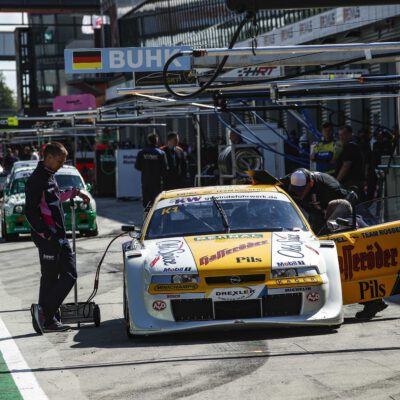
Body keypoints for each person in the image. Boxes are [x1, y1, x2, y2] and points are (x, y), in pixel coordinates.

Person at [26, 142, 90, 334]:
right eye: (60, 161)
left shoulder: (50, 176)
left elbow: (55, 198)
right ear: (49, 157)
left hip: (60, 237)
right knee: (52, 277)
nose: (62, 164)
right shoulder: (36, 180)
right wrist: (46, 235)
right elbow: (30, 212)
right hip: (48, 238)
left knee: (68, 275)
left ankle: (45, 314)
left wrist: (76, 193)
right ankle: (47, 316)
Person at [324, 199, 388, 319]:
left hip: (356, 260)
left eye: (329, 211)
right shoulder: (357, 218)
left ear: (338, 211)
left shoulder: (342, 223)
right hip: (367, 259)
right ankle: (376, 302)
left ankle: (373, 303)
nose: (326, 213)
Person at [280, 168, 353, 233]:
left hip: (326, 213)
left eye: (301, 190)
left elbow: (347, 204)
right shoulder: (292, 178)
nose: (297, 193)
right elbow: (273, 182)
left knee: (325, 231)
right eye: (294, 189)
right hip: (310, 211)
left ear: (310, 183)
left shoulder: (331, 188)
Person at [135, 132, 168, 208]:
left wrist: (146, 169)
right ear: (156, 141)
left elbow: (137, 166)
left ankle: (147, 218)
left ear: (148, 141)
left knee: (146, 204)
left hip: (146, 182)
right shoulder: (161, 153)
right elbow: (165, 169)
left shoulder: (141, 153)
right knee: (157, 204)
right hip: (157, 183)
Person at [335, 125, 364, 192]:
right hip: (351, 182)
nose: (341, 137)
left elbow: (346, 165)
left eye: (344, 135)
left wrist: (336, 181)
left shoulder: (350, 147)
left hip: (351, 182)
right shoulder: (347, 147)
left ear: (350, 135)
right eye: (340, 135)